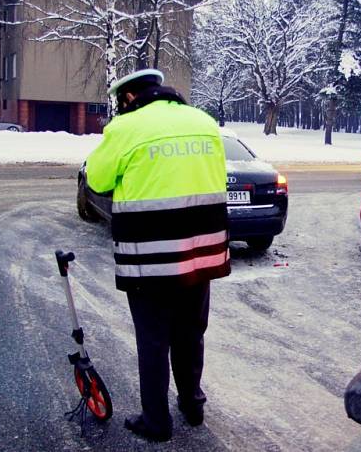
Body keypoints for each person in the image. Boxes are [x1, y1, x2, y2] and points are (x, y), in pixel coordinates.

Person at [85, 68, 230, 442]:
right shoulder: (204, 122)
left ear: (129, 98)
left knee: (153, 339)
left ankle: (157, 421)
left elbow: (97, 181)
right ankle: (192, 404)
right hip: (202, 252)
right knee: (190, 332)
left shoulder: (126, 128)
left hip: (151, 257)